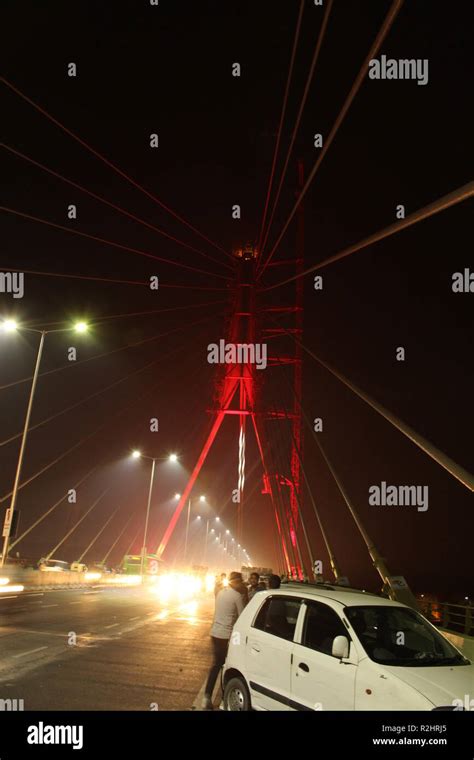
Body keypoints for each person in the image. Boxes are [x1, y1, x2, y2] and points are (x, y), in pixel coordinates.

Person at [202, 571, 248, 710]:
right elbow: (242, 617)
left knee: (216, 665)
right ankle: (224, 699)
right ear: (238, 581)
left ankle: (207, 697)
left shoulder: (221, 592)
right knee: (229, 666)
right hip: (227, 636)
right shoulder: (237, 596)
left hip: (214, 633)